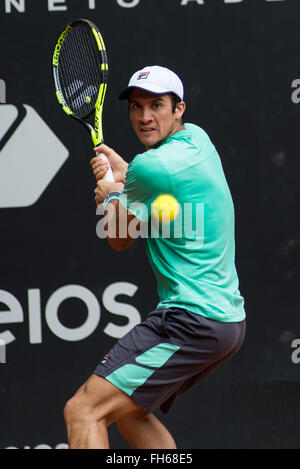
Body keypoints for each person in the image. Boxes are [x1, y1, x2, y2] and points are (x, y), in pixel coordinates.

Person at [63, 66, 246, 449]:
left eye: (157, 106)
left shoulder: (149, 168)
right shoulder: (197, 139)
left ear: (179, 108)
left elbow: (119, 239)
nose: (145, 117)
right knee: (131, 412)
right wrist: (122, 181)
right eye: (137, 106)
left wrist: (111, 195)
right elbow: (159, 186)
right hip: (225, 321)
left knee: (84, 411)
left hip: (190, 319)